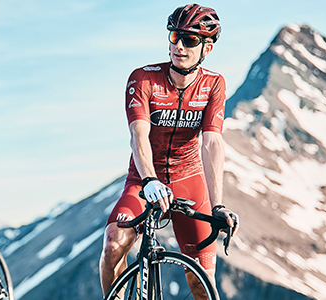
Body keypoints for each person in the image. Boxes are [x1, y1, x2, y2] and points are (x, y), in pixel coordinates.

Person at [99, 4, 239, 299]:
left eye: (189, 40)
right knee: (113, 245)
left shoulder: (214, 84)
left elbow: (212, 143)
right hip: (142, 181)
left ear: (207, 47)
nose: (178, 46)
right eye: (175, 36)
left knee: (202, 281)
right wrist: (149, 180)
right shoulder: (144, 79)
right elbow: (138, 134)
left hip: (188, 179)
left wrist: (217, 205)